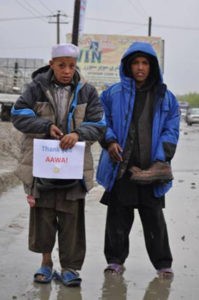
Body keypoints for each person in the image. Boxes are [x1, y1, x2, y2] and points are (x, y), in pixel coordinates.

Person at [11, 43, 106, 287]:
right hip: (41, 164)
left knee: (72, 218)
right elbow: (18, 114)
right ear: (51, 64)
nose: (66, 70)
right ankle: (46, 263)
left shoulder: (88, 92)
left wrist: (77, 133)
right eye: (61, 65)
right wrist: (44, 126)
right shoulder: (35, 88)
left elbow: (98, 123)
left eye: (71, 66)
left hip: (73, 167)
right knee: (43, 215)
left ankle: (70, 268)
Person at [96, 41, 180, 278]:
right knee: (117, 217)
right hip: (120, 166)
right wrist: (110, 141)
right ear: (128, 66)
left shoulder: (166, 98)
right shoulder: (112, 94)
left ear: (152, 66)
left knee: (154, 218)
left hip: (151, 169)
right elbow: (101, 119)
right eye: (135, 63)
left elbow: (171, 129)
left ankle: (163, 264)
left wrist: (161, 159)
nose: (140, 67)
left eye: (145, 63)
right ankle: (114, 261)